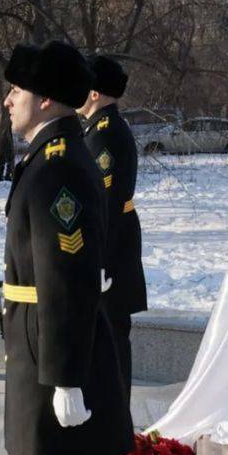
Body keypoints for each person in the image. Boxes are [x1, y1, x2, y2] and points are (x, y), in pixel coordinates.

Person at [0, 41, 134, 455]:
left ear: (45, 97)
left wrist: (66, 377)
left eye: (16, 91)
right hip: (39, 349)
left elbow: (70, 279)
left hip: (58, 359)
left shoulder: (59, 164)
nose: (7, 100)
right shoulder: (48, 155)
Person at [78, 56, 148, 401]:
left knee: (112, 338)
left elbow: (104, 204)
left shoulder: (104, 135)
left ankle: (116, 421)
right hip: (115, 247)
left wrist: (96, 260)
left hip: (112, 251)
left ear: (93, 92)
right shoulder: (98, 129)